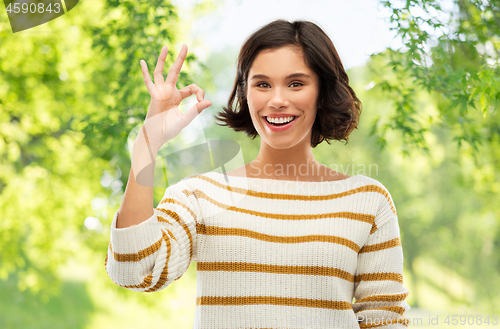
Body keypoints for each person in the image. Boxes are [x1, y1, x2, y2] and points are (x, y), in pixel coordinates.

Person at [105, 19, 411, 328]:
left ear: (321, 92)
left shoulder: (368, 201)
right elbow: (134, 270)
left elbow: (385, 319)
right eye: (262, 84)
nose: (277, 100)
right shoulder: (200, 196)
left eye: (296, 83)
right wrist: (147, 144)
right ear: (245, 93)